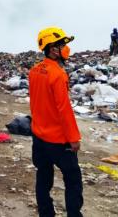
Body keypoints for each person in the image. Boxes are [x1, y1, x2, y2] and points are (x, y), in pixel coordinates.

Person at [29, 27, 83, 217]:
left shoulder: (34, 71)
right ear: (53, 49)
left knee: (43, 177)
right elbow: (64, 109)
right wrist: (74, 138)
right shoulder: (58, 75)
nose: (66, 48)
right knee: (73, 179)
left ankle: (46, 213)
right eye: (62, 45)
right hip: (58, 140)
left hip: (38, 136)